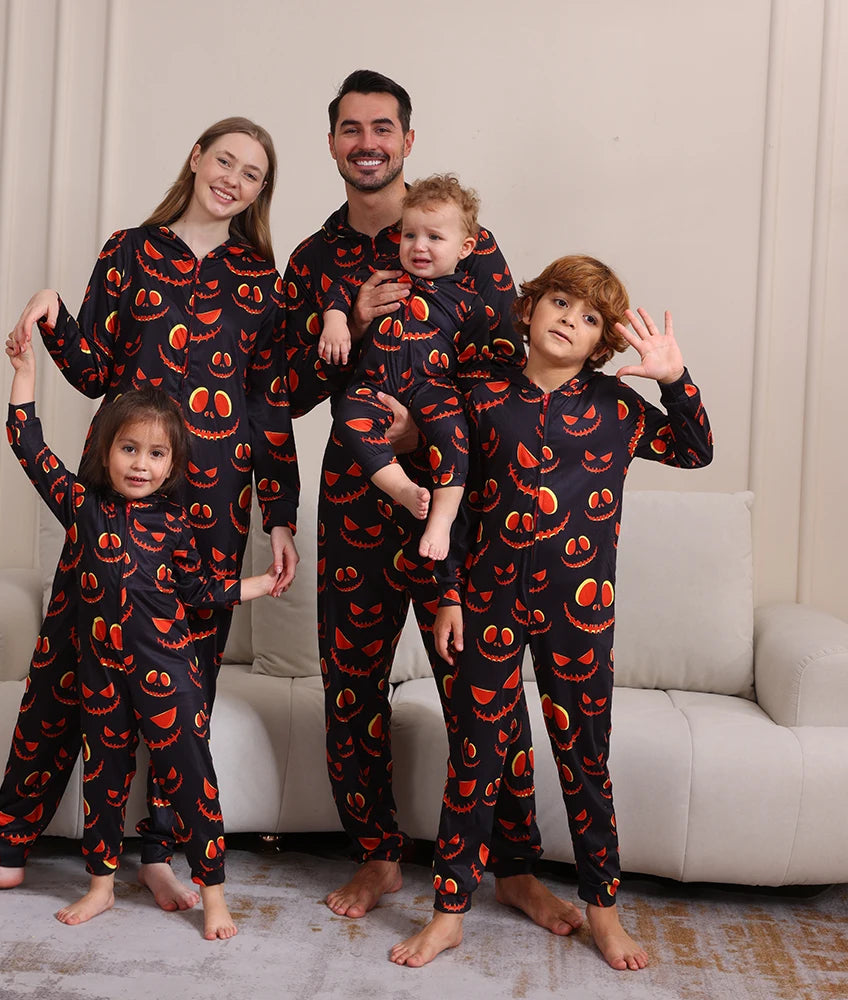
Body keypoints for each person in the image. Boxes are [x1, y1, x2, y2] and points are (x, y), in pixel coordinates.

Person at [0, 117, 299, 910]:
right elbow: (95, 371)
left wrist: (281, 515)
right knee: (63, 662)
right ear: (195, 157)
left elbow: (268, 405)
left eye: (252, 173)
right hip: (115, 495)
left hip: (217, 503)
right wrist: (53, 310)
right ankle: (5, 847)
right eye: (224, 160)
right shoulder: (129, 251)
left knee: (185, 683)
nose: (232, 179)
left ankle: (158, 853)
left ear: (261, 192)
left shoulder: (262, 280)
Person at [284, 70, 582, 936]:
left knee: (483, 691)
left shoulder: (467, 241)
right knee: (351, 687)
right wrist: (352, 326)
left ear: (407, 141)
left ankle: (514, 867)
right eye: (350, 128)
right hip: (355, 503)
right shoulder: (313, 259)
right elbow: (289, 390)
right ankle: (378, 853)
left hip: (459, 507)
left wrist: (426, 432)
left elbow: (507, 366)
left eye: (382, 127)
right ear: (332, 142)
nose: (366, 142)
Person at [392, 255, 713, 970]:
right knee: (474, 755)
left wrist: (674, 379)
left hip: (578, 611)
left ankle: (604, 912)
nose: (570, 319)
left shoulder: (618, 409)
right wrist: (448, 595)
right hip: (487, 601)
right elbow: (450, 499)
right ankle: (449, 913)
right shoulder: (479, 396)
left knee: (584, 757)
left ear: (602, 342)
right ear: (531, 308)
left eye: (590, 316)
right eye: (560, 302)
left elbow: (696, 451)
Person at [3, 343, 278, 935]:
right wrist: (25, 373)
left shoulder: (175, 523)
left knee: (192, 777)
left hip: (170, 671)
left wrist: (257, 584)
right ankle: (101, 886)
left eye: (156, 454)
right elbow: (29, 447)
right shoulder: (82, 506)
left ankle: (214, 895)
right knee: (103, 777)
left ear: (172, 464)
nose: (140, 465)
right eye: (129, 449)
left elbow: (199, 589)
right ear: (106, 451)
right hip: (100, 674)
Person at [316, 174, 493, 560]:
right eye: (410, 235)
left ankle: (442, 520)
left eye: (434, 237)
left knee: (454, 431)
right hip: (373, 386)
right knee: (347, 414)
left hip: (431, 387)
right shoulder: (384, 275)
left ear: (465, 247)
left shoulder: (469, 302)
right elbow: (339, 289)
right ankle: (400, 487)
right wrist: (336, 321)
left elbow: (477, 368)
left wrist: (457, 409)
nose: (419, 246)